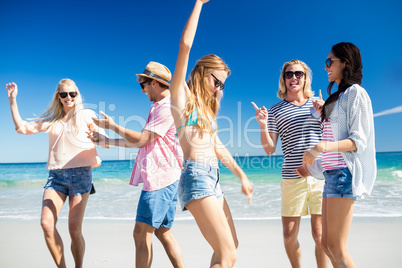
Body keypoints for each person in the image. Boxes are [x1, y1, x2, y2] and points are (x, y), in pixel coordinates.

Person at [169, 0, 253, 267]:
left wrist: (242, 176)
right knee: (228, 253)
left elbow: (218, 147)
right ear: (202, 71)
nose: (218, 89)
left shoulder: (207, 109)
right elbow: (184, 46)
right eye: (216, 81)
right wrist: (199, 4)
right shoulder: (181, 95)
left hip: (213, 179)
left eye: (222, 86)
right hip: (195, 177)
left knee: (230, 248)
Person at [88, 62, 185, 268]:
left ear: (154, 83)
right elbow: (144, 143)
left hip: (160, 179)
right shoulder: (160, 107)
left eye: (143, 84)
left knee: (141, 234)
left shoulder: (166, 108)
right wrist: (106, 141)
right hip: (167, 178)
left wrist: (112, 126)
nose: (141, 90)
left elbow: (141, 139)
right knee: (163, 231)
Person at [6, 79, 103, 268]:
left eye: (72, 94)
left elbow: (101, 138)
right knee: (46, 224)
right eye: (64, 94)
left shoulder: (87, 115)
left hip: (81, 175)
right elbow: (22, 129)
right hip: (56, 177)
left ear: (77, 94)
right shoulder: (52, 121)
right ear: (58, 96)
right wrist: (12, 101)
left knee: (74, 230)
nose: (69, 97)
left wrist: (97, 137)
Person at [303, 42, 376, 268]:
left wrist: (322, 147)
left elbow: (357, 141)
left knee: (337, 247)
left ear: (345, 63)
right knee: (326, 243)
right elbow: (334, 130)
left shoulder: (356, 93)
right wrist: (323, 112)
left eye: (329, 61)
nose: (326, 67)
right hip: (332, 175)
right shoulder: (338, 97)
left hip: (344, 175)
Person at [252, 59, 329, 268]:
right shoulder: (276, 110)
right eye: (289, 74)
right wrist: (262, 124)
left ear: (305, 78)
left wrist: (326, 113)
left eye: (298, 74)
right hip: (292, 178)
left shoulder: (319, 103)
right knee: (288, 235)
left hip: (320, 177)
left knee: (320, 234)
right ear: (283, 79)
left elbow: (332, 140)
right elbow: (269, 149)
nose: (293, 78)